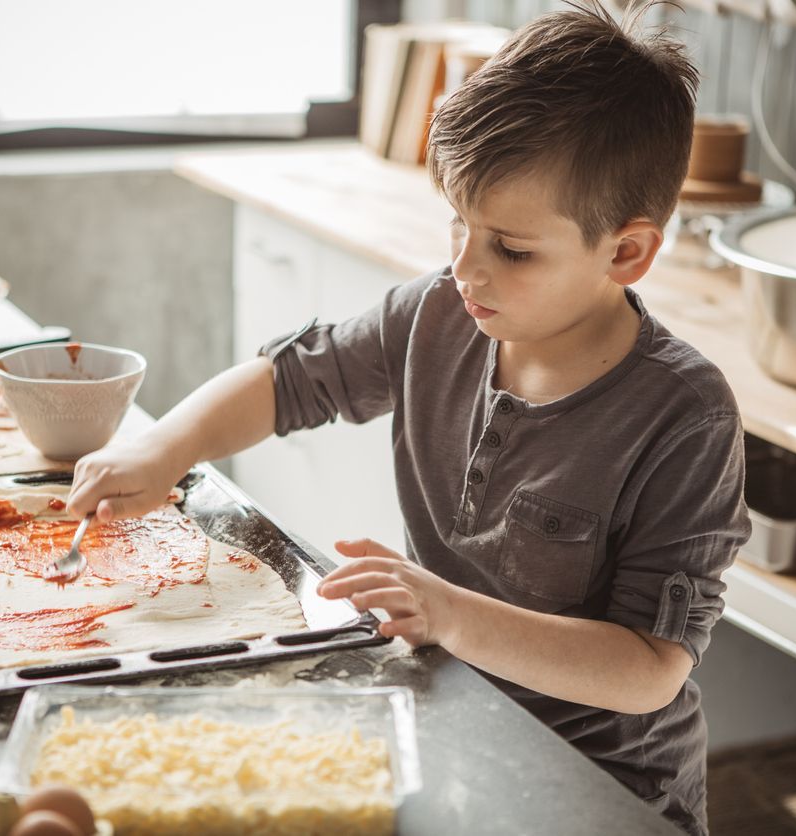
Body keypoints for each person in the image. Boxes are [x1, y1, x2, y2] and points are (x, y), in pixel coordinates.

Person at [68, 2, 750, 832]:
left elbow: (648, 670)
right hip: (457, 729)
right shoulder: (438, 314)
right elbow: (290, 382)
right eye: (457, 223)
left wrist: (451, 612)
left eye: (512, 247)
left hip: (606, 793)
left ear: (627, 252)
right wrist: (161, 449)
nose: (464, 267)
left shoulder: (684, 415)